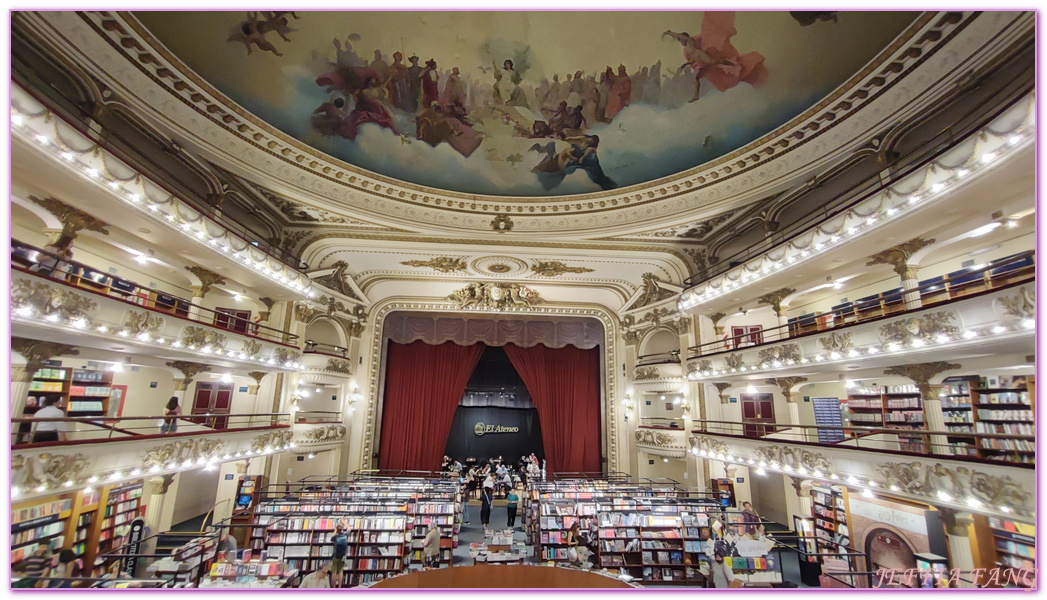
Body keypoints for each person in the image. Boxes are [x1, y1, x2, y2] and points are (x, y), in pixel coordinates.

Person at [330, 523, 349, 588]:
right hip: (343, 556)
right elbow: (349, 528)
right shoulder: (346, 534)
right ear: (342, 529)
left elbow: (331, 538)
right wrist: (344, 522)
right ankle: (340, 587)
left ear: (337, 530)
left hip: (335, 556)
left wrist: (335, 530)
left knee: (334, 572)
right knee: (340, 571)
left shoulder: (335, 536)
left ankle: (334, 588)